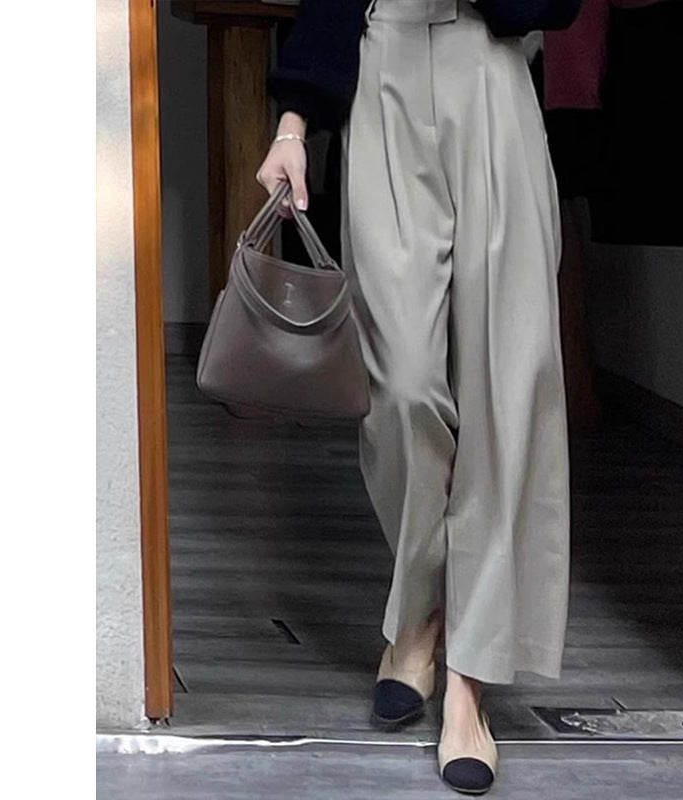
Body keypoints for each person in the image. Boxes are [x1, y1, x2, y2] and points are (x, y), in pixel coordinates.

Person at [257, 0, 581, 794]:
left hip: (492, 65)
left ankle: (468, 680)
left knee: (508, 389)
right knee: (398, 387)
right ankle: (420, 613)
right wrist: (293, 125)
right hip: (384, 68)